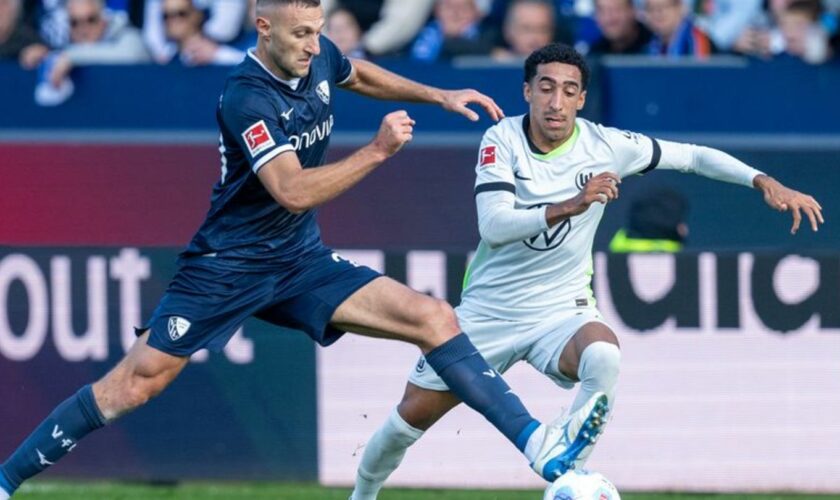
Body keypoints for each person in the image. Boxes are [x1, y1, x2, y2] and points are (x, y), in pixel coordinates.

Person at [0, 3, 600, 499]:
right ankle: (6, 481)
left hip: (297, 261)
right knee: (135, 384)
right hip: (227, 266)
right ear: (262, 27)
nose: (313, 46)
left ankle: (540, 448)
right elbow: (289, 190)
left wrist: (436, 95)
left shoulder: (314, 53)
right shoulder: (246, 97)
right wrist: (377, 151)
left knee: (432, 317)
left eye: (316, 31)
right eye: (300, 35)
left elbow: (355, 71)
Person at [349, 42, 824, 500]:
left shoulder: (606, 144)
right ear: (527, 92)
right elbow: (494, 227)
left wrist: (761, 179)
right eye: (546, 87)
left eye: (568, 90)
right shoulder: (502, 139)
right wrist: (572, 203)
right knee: (410, 417)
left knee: (604, 354)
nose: (556, 102)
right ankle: (363, 494)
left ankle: (568, 461)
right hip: (488, 312)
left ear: (581, 98)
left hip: (561, 308)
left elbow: (693, 156)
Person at [643, 0, 715, 57]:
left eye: (664, 6)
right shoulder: (645, 45)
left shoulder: (699, 42)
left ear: (680, 8)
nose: (657, 14)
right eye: (651, 8)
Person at [492, 0, 557, 61]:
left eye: (542, 30)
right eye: (526, 29)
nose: (535, 39)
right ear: (508, 31)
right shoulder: (490, 64)